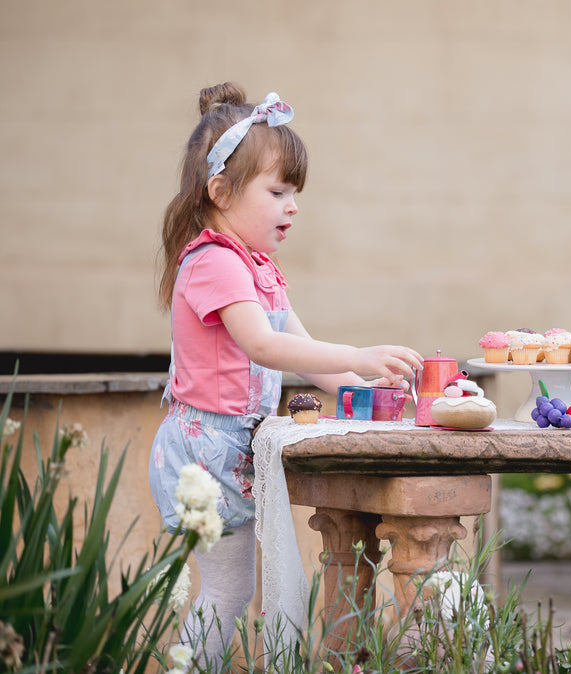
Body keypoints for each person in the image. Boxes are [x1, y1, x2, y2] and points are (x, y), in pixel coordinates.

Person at [148, 82, 423, 664]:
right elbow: (265, 346)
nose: (292, 206)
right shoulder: (214, 261)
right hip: (204, 457)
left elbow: (305, 352)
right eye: (277, 191)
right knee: (225, 593)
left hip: (231, 453)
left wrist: (376, 395)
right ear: (219, 191)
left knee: (230, 591)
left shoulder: (256, 267)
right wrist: (356, 354)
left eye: (295, 193)